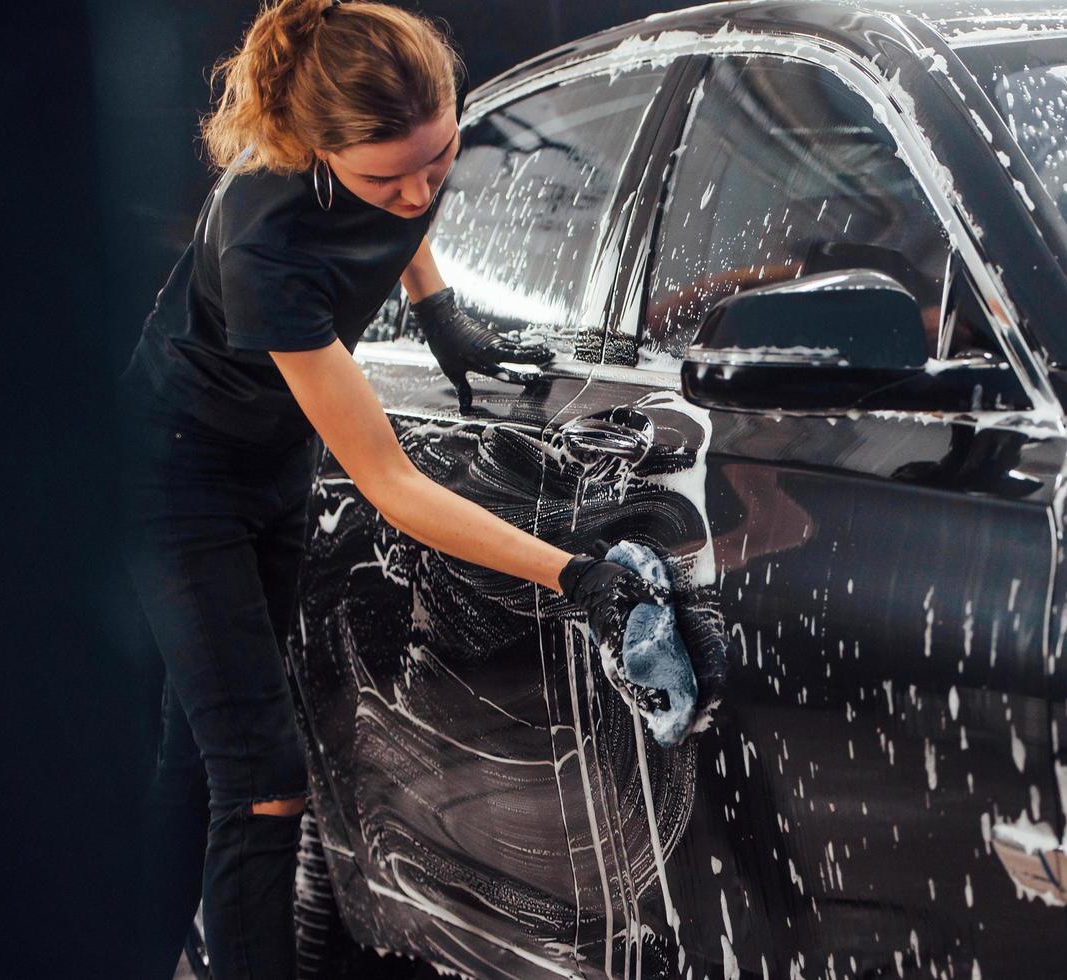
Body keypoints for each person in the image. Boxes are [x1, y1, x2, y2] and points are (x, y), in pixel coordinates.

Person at [114, 1, 665, 977]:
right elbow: (388, 482)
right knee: (264, 779)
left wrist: (439, 311)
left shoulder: (406, 160)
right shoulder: (264, 243)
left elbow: (404, 213)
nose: (417, 193)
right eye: (383, 177)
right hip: (175, 475)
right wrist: (571, 571)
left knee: (197, 755)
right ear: (312, 151)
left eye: (441, 157)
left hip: (272, 462)